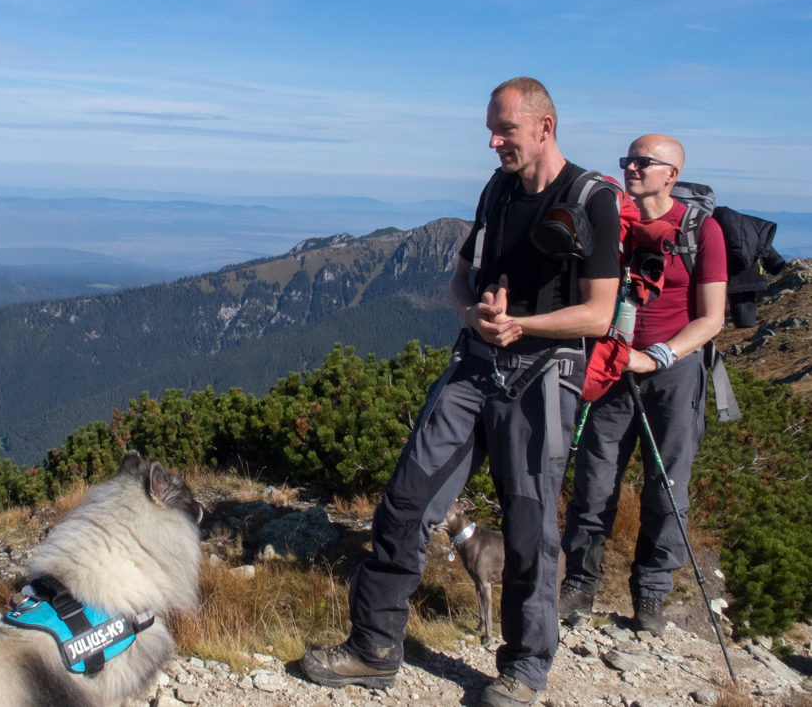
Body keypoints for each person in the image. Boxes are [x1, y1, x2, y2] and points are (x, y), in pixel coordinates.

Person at [299, 78, 620, 707]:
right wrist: (475, 316)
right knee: (406, 501)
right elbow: (460, 281)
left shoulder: (591, 200)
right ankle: (374, 649)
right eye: (490, 132)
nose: (494, 142)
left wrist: (521, 324)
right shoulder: (498, 191)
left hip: (542, 375)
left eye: (504, 130)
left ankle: (524, 669)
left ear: (544, 126)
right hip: (475, 364)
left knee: (529, 525)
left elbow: (599, 314)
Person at [559, 134, 728, 635]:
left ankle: (651, 595)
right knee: (594, 478)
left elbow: (712, 318)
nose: (631, 168)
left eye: (643, 161)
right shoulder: (615, 223)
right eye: (627, 160)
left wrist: (655, 357)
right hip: (613, 364)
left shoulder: (701, 230)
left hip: (672, 373)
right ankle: (580, 585)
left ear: (671, 174)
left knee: (667, 485)